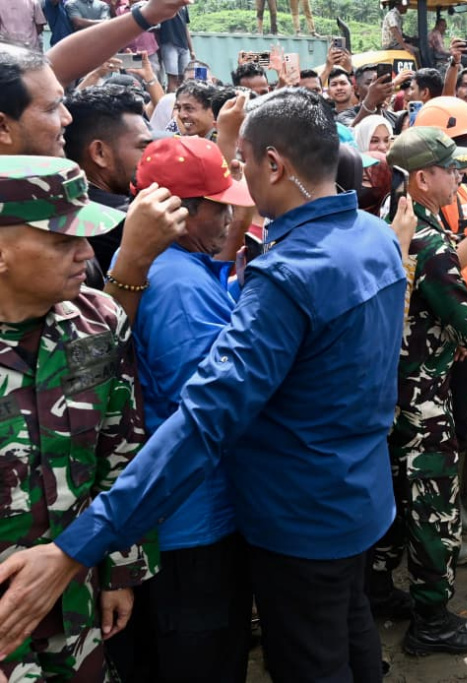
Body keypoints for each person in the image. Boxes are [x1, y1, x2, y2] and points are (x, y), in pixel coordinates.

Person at [0, 88, 408, 683]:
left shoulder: (286, 274)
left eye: (241, 161)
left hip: (296, 514)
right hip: (357, 496)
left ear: (275, 165)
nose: (235, 190)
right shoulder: (373, 238)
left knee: (314, 659)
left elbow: (204, 420)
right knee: (350, 632)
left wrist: (81, 545)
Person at [0, 156, 159, 681]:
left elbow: (122, 451)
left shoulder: (98, 322)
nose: (86, 254)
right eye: (61, 241)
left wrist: (119, 568)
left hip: (77, 604)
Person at [107, 136, 255, 683]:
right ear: (184, 212)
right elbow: (209, 406)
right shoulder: (175, 287)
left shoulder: (178, 270)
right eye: (220, 204)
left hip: (185, 513)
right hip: (194, 522)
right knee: (204, 655)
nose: (231, 213)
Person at [379, 126, 467, 656]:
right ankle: (432, 620)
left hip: (389, 397)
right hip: (424, 403)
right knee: (432, 507)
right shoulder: (430, 242)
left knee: (389, 499)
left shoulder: (394, 224)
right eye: (449, 168)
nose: (458, 175)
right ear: (422, 178)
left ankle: (376, 590)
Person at [63, 85, 153, 276]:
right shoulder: (126, 220)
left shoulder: (60, 204)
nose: (151, 158)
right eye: (143, 148)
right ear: (100, 153)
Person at [159, 7, 194, 92]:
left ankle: (181, 100)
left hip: (183, 46)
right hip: (169, 43)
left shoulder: (184, 6)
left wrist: (192, 49)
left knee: (185, 77)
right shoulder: (164, 4)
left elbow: (185, 28)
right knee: (173, 77)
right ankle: (170, 104)